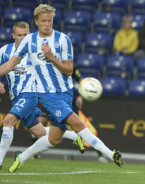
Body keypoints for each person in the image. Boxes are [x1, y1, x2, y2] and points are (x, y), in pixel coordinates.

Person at [0, 4, 124, 173]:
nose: (46, 24)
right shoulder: (29, 41)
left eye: (49, 20)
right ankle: (110, 154)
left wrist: (51, 56)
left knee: (53, 139)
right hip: (46, 94)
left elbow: (69, 70)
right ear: (36, 21)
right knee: (77, 122)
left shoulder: (63, 39)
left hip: (66, 92)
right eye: (43, 21)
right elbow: (9, 65)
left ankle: (21, 157)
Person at [0, 21, 85, 169]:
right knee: (39, 132)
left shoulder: (35, 51)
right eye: (18, 35)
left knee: (8, 121)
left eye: (25, 35)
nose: (22, 38)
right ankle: (73, 136)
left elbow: (59, 69)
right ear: (13, 35)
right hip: (16, 97)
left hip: (30, 94)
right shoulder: (4, 51)